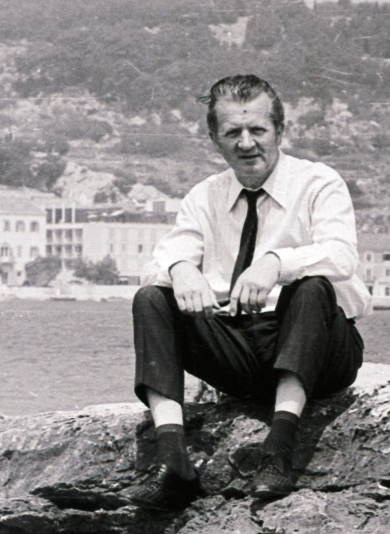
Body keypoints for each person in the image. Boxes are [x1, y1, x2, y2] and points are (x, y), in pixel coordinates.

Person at [126, 74, 369, 508]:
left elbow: (341, 256)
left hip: (319, 345)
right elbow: (163, 257)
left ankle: (278, 450)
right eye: (232, 132)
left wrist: (276, 264)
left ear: (279, 130)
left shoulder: (318, 183)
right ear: (214, 138)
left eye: (257, 130)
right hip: (240, 349)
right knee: (151, 299)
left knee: (310, 285)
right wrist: (181, 269)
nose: (246, 143)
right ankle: (174, 461)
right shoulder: (205, 196)